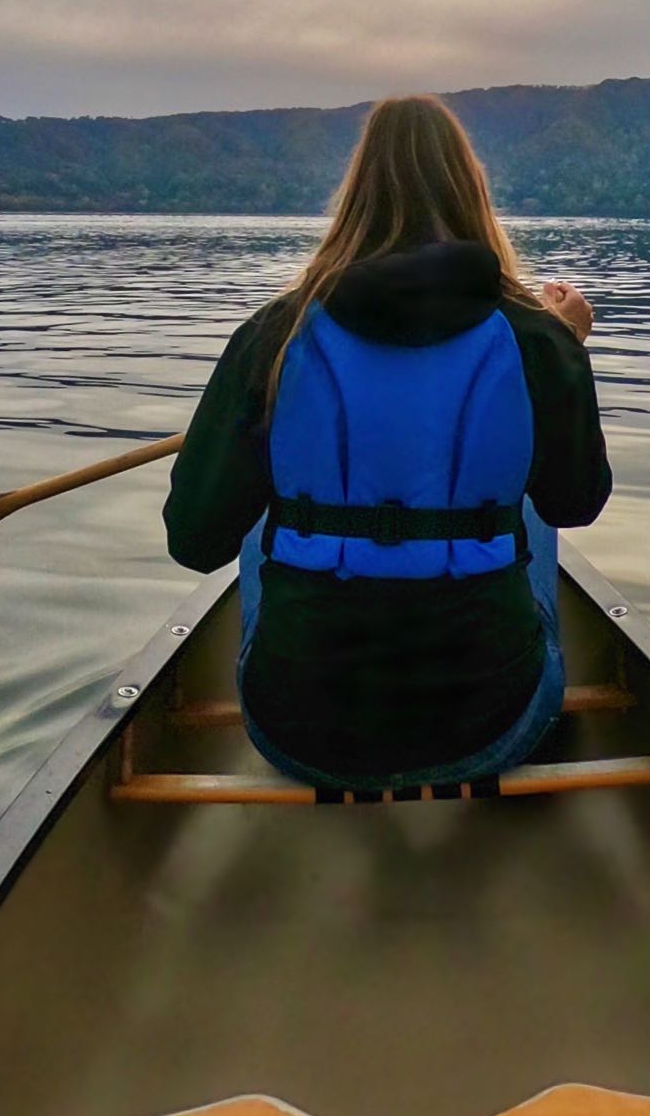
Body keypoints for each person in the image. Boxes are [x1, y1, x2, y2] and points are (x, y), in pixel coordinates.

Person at [164, 95, 611, 791]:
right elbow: (576, 501)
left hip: (296, 729)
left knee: (264, 520)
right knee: (523, 510)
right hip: (491, 723)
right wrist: (567, 352)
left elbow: (193, 539)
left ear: (355, 196)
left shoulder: (272, 337)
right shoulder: (535, 339)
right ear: (471, 191)